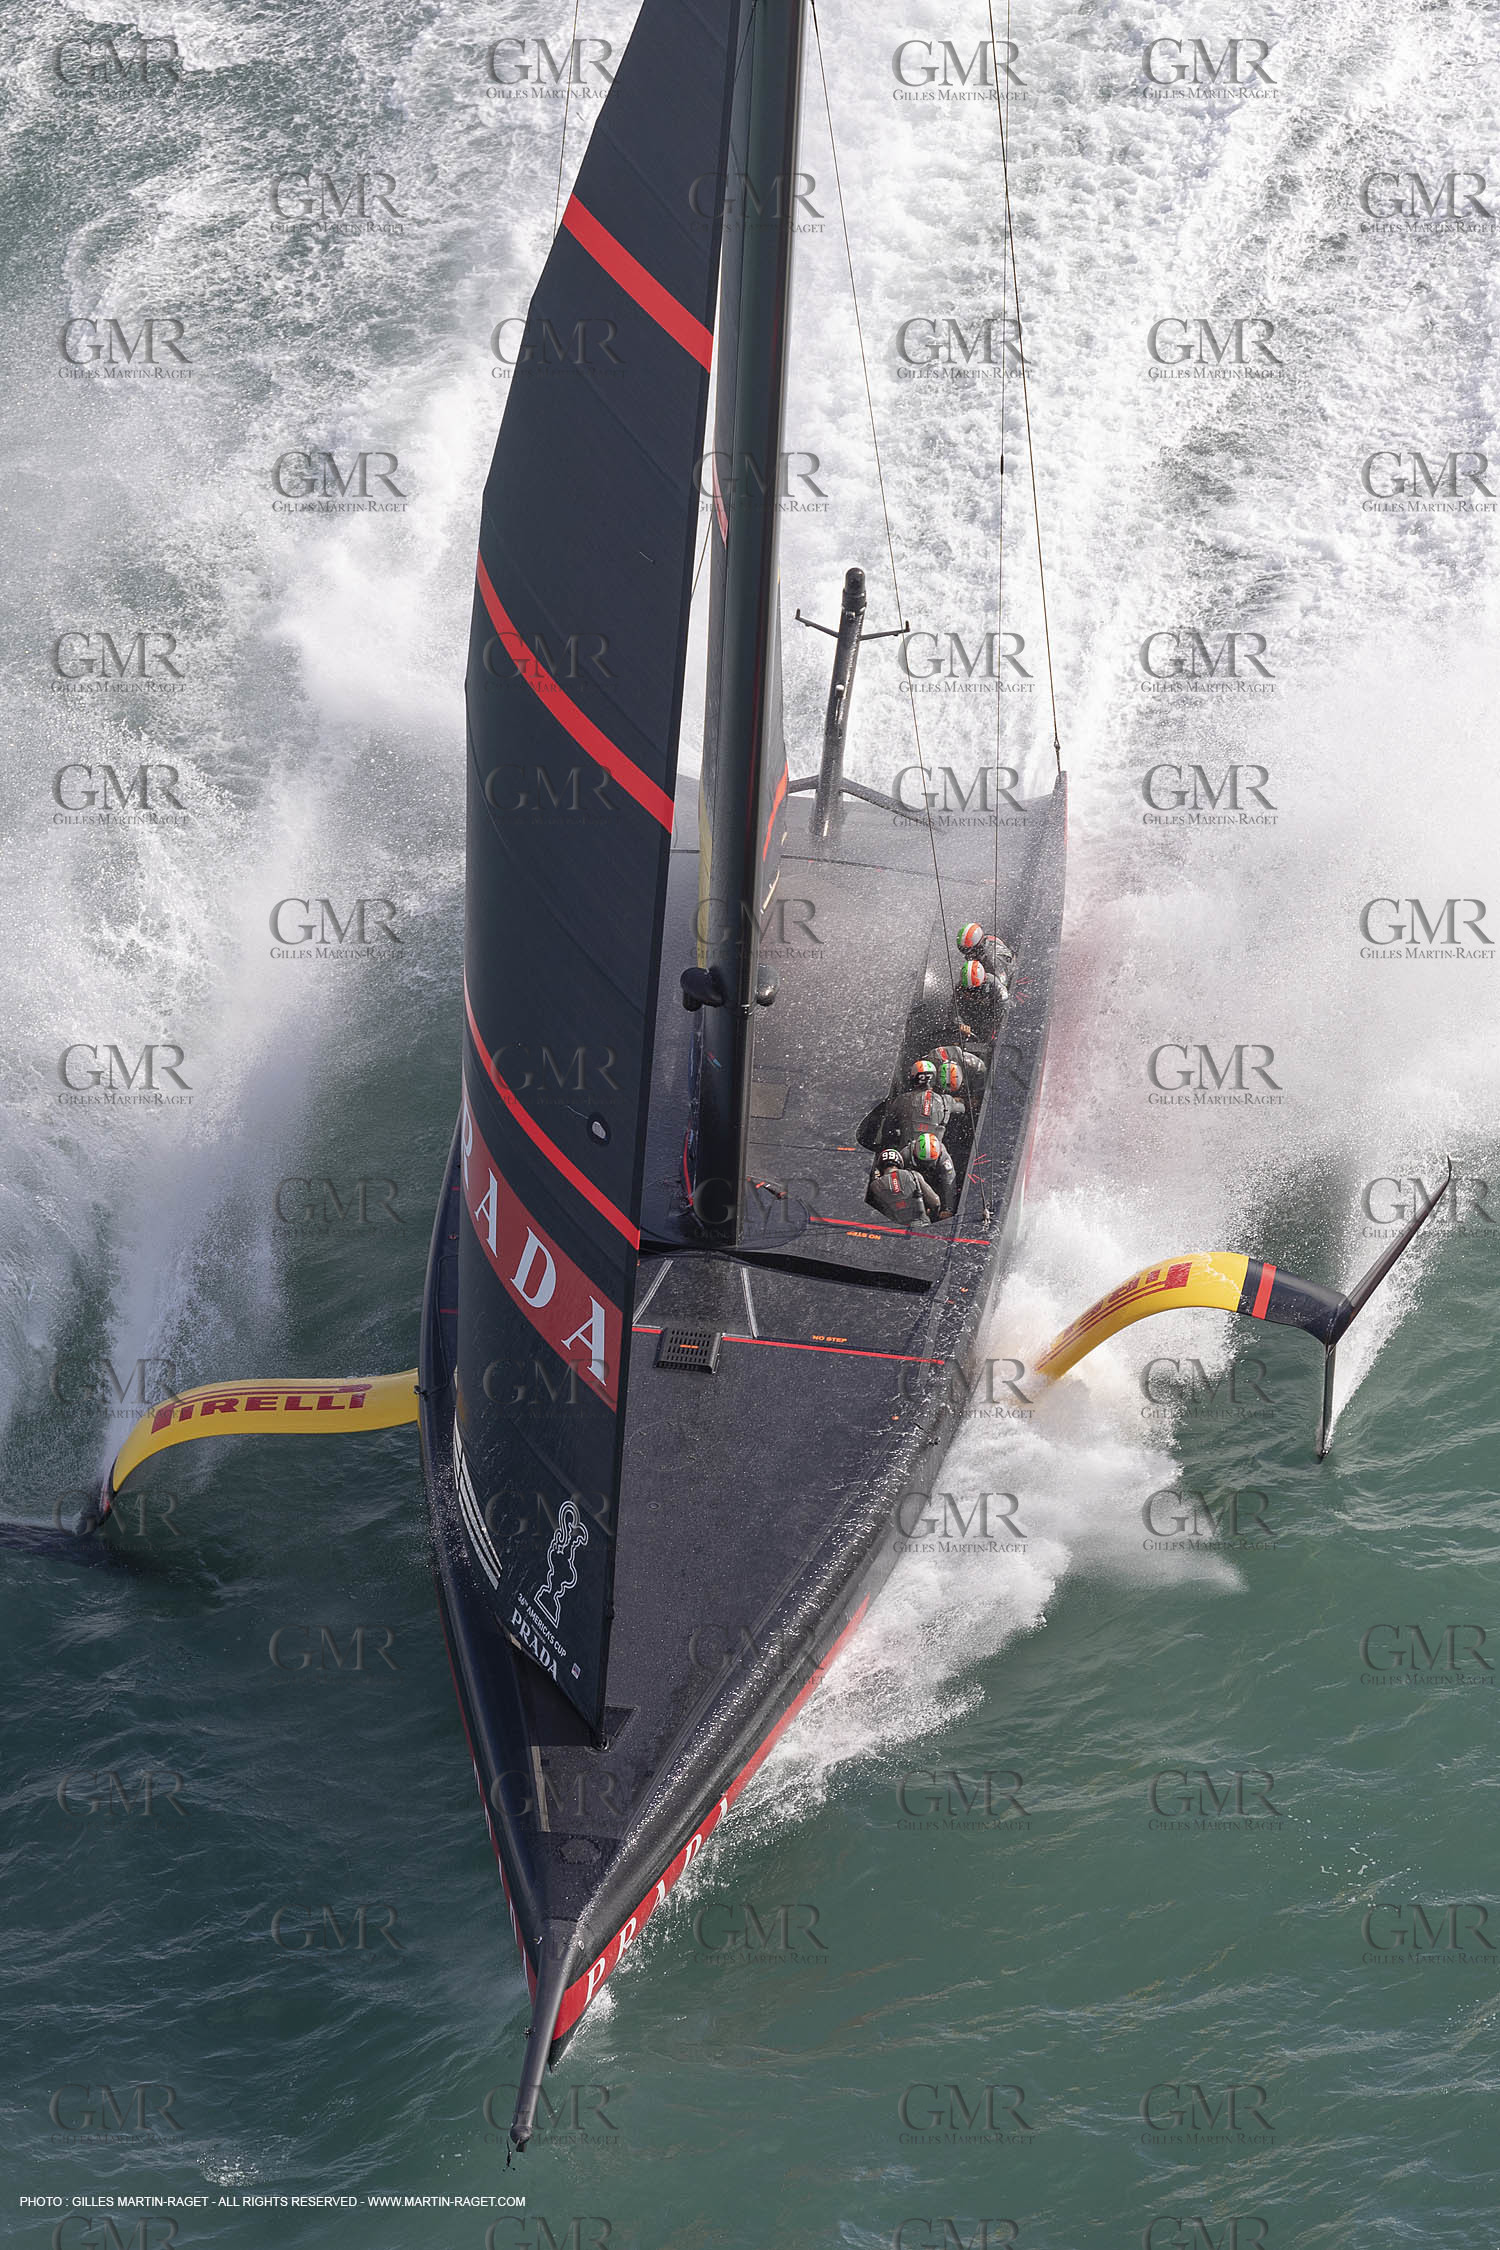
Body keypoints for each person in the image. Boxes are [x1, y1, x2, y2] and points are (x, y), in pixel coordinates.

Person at [856, 1060, 960, 1153]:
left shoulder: (901, 1100)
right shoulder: (947, 1101)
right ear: (934, 1078)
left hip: (906, 1156)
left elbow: (887, 1129)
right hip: (936, 1157)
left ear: (913, 1078)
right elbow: (964, 1109)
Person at [866, 1146, 941, 1226]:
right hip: (921, 1226)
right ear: (900, 1162)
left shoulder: (874, 1186)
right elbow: (935, 1202)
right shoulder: (914, 1175)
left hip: (893, 1231)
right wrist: (932, 1216)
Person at [905, 1129, 957, 1217]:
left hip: (936, 1179)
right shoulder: (905, 1155)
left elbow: (949, 1184)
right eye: (924, 1162)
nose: (927, 1165)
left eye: (930, 1162)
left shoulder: (944, 1160)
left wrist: (949, 1208)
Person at [952, 958, 1005, 1039]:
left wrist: (994, 1030)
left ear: (984, 981)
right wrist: (961, 1024)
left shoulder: (994, 985)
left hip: (991, 1020)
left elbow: (1004, 1007)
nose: (971, 993)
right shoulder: (959, 988)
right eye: (967, 989)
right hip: (973, 1021)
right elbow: (953, 1009)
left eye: (975, 989)